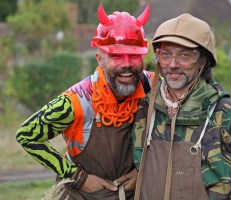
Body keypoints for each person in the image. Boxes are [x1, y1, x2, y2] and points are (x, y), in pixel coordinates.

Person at [16, 3, 152, 199]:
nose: (127, 64)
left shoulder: (154, 88)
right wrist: (77, 177)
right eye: (115, 55)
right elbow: (27, 135)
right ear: (99, 58)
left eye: (134, 55)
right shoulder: (75, 101)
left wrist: (144, 170)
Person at [132, 14, 231, 199]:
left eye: (184, 55)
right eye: (166, 54)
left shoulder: (226, 114)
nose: (173, 64)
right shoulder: (144, 109)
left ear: (202, 61)